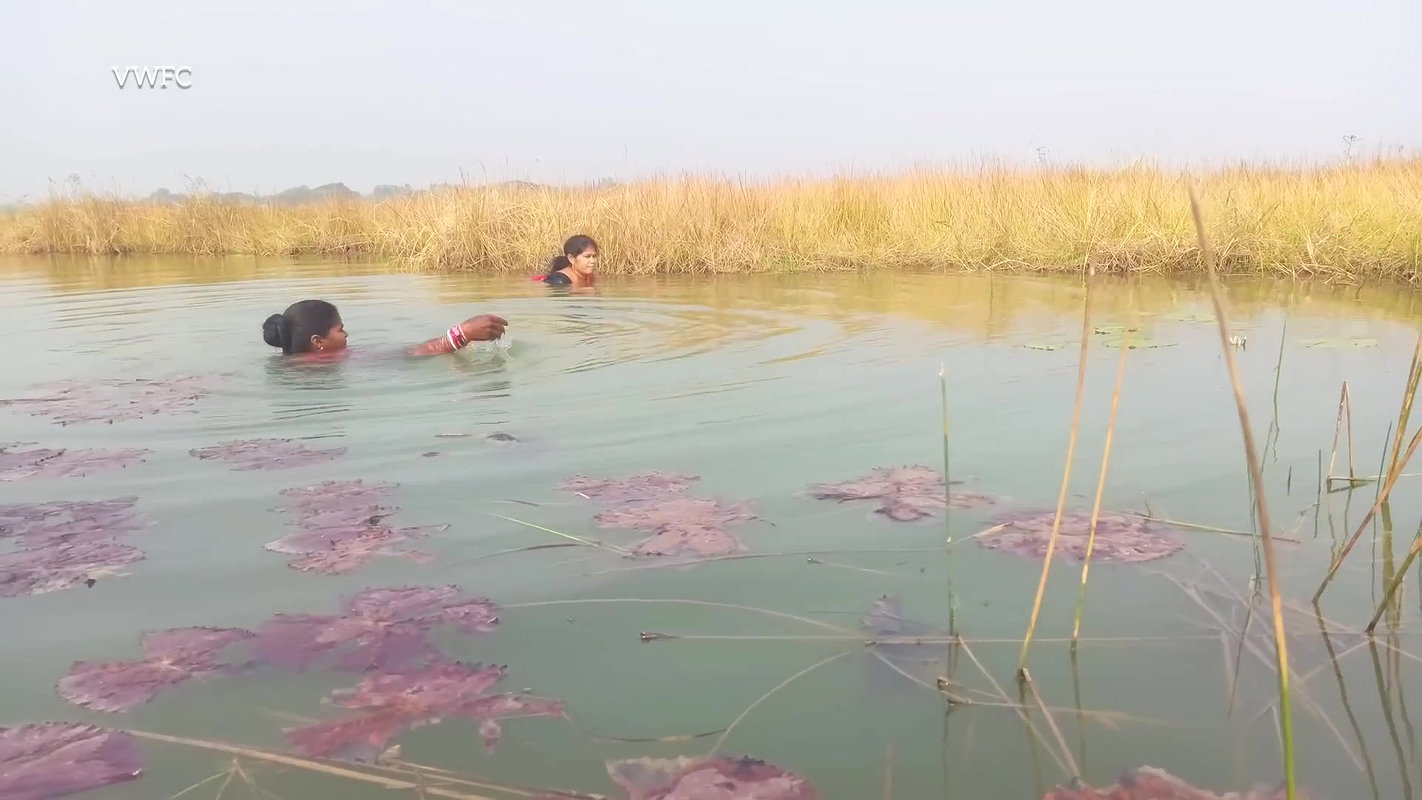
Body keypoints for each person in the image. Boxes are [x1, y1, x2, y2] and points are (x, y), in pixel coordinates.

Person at [262, 299, 507, 358]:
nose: (346, 334)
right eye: (340, 329)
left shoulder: (291, 365)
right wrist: (460, 334)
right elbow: (406, 356)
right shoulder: (332, 361)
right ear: (318, 342)